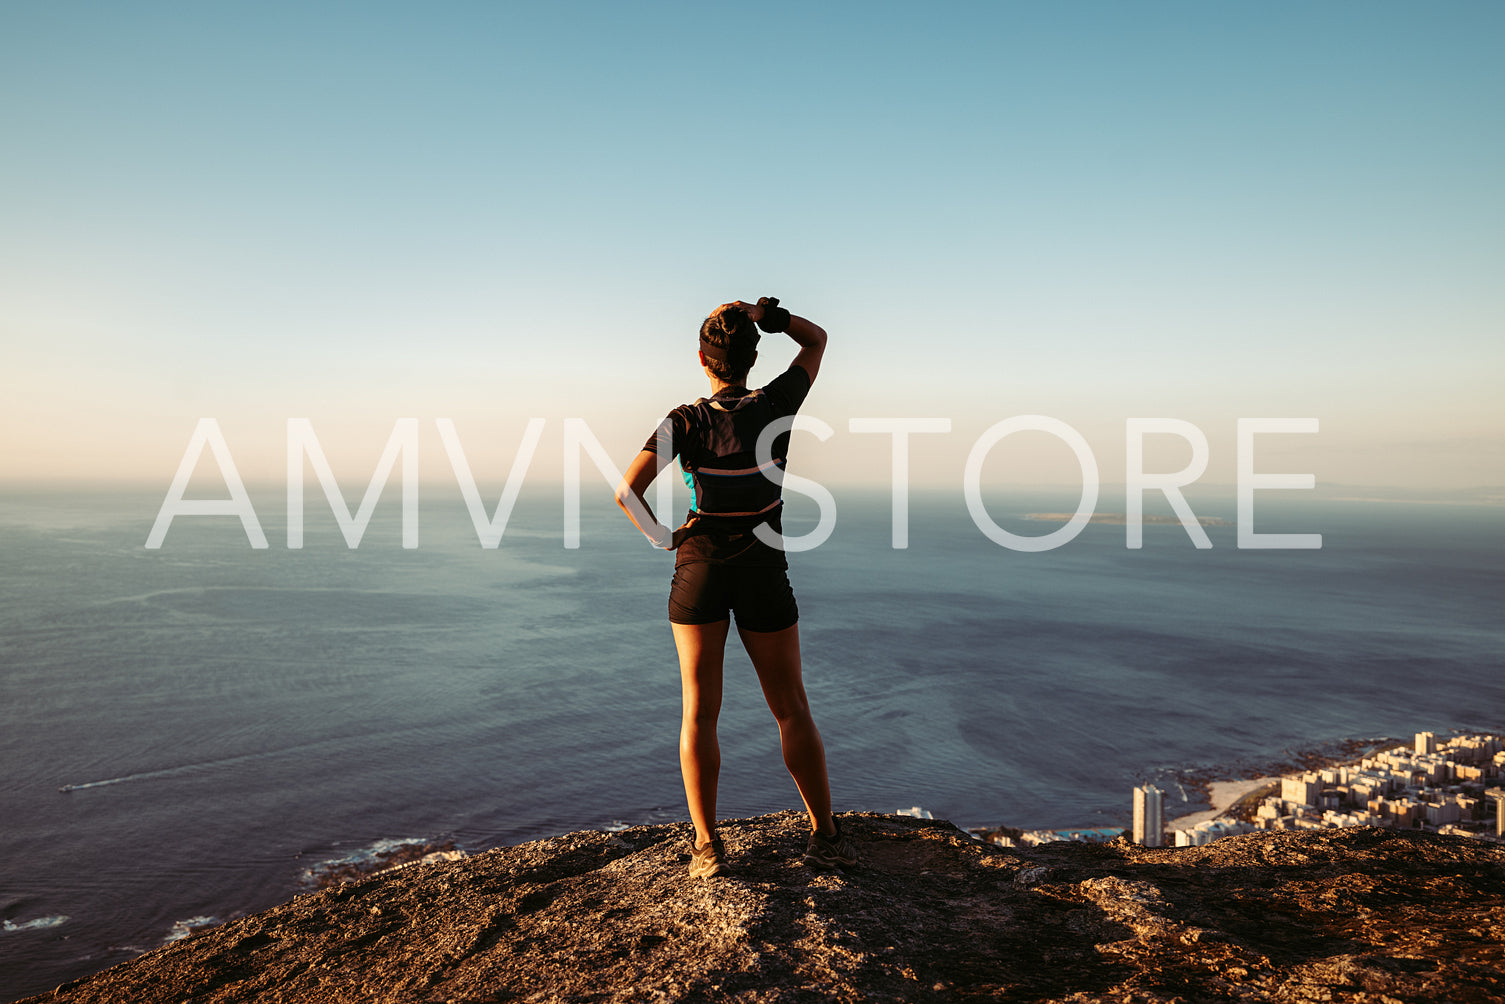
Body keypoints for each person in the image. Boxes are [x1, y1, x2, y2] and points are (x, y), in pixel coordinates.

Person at [615, 297, 859, 879]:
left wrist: (666, 538)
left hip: (698, 570)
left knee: (699, 713)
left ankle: (707, 847)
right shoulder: (776, 404)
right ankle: (824, 835)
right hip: (762, 569)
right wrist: (766, 313)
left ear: (703, 358)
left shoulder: (684, 421)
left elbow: (627, 493)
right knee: (791, 708)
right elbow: (817, 340)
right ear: (752, 358)